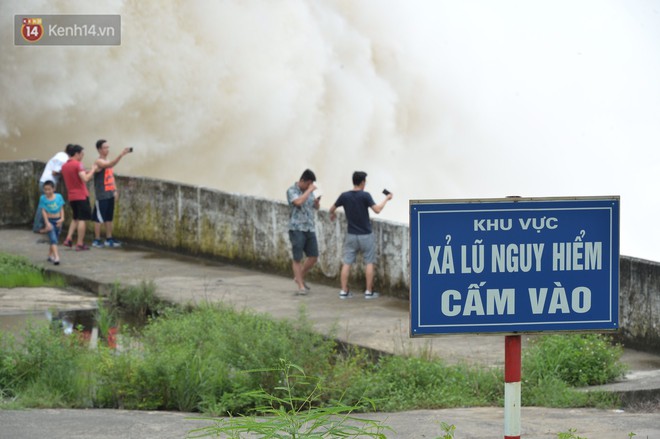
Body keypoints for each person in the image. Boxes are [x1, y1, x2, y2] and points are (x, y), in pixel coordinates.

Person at [329, 171, 393, 299]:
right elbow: (377, 210)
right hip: (365, 235)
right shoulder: (365, 196)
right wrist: (387, 198)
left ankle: (343, 291)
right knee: (369, 262)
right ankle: (368, 292)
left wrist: (332, 214)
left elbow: (332, 209)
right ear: (362, 182)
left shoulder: (344, 196)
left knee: (347, 262)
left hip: (351, 234)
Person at [286, 169, 321, 295]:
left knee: (313, 257)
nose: (309, 186)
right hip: (296, 228)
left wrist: (317, 203)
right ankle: (301, 286)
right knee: (297, 258)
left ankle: (298, 277)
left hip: (309, 228)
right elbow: (298, 202)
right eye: (308, 184)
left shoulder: (309, 191)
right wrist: (309, 190)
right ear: (302, 180)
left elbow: (315, 207)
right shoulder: (291, 190)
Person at [92, 139, 131, 248]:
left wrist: (115, 190)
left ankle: (109, 238)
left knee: (109, 217)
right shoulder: (99, 162)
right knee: (98, 218)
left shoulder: (106, 160)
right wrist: (121, 155)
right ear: (99, 149)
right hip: (101, 195)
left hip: (109, 194)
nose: (107, 150)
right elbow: (110, 164)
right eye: (105, 147)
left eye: (108, 147)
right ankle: (97, 239)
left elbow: (111, 176)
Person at [61, 144, 97, 251]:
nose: (82, 156)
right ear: (76, 154)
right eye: (82, 154)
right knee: (82, 219)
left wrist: (87, 171)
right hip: (81, 195)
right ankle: (80, 243)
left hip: (71, 196)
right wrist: (93, 170)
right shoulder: (78, 164)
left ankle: (68, 238)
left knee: (75, 218)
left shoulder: (64, 166)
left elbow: (76, 175)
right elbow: (85, 179)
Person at [32, 144, 73, 233]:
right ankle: (38, 227)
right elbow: (55, 172)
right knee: (43, 206)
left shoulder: (60, 154)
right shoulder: (64, 158)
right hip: (48, 184)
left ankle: (43, 226)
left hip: (44, 181)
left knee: (44, 205)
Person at [37, 180, 65, 265]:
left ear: (54, 189)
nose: (47, 191)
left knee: (55, 239)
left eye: (49, 189)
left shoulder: (59, 197)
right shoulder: (43, 198)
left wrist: (62, 219)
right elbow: (43, 211)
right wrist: (47, 223)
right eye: (45, 189)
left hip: (58, 220)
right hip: (49, 221)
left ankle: (50, 255)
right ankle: (56, 257)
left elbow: (61, 208)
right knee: (53, 239)